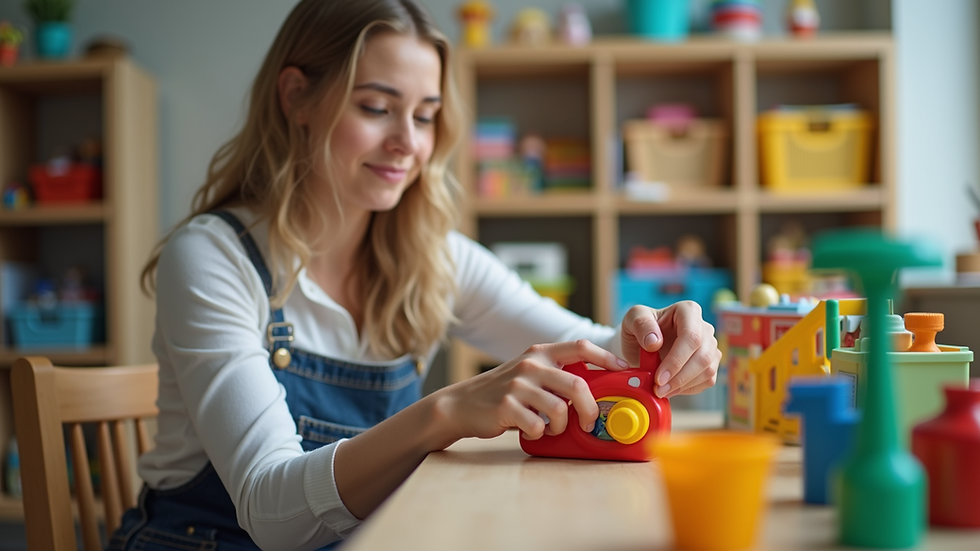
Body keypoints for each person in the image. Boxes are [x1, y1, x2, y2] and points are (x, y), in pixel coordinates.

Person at [107, 1, 721, 550]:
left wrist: (659, 342)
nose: (407, 143)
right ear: (294, 96)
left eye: (425, 117)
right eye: (376, 107)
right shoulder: (214, 258)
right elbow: (274, 516)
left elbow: (589, 349)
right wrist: (444, 413)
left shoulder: (433, 255)